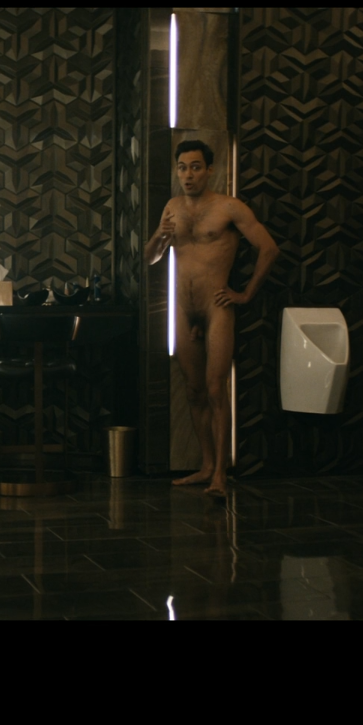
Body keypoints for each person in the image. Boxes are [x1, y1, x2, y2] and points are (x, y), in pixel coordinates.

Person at [145, 140, 278, 498]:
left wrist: (245, 294)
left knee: (216, 388)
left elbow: (269, 248)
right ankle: (205, 465)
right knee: (193, 390)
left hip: (216, 305)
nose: (188, 174)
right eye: (182, 167)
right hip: (182, 307)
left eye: (195, 167)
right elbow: (150, 258)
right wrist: (159, 236)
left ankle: (220, 473)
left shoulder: (229, 208)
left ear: (209, 170)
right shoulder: (172, 207)